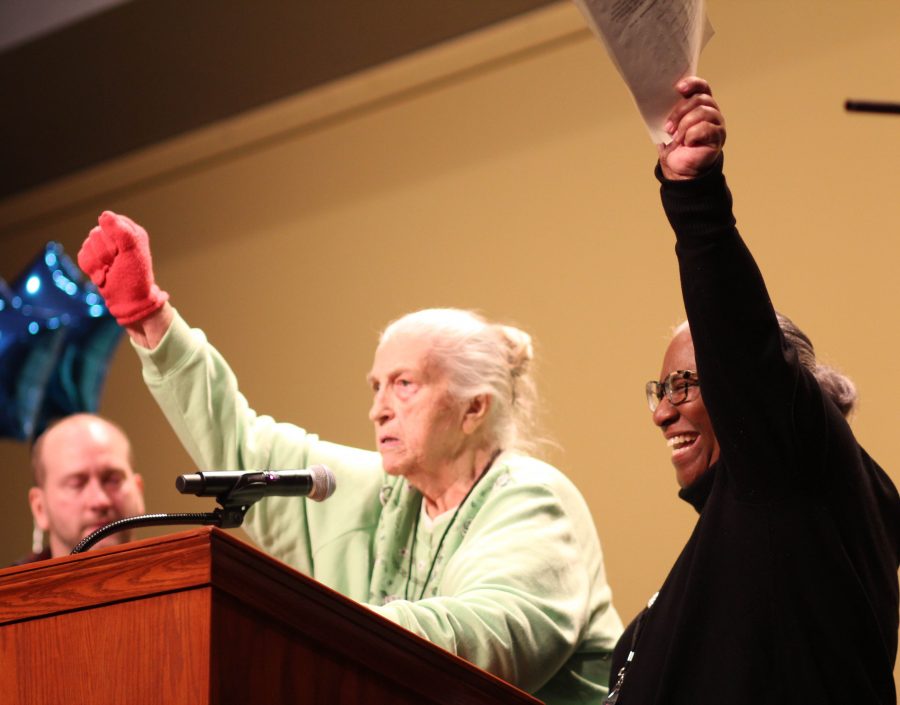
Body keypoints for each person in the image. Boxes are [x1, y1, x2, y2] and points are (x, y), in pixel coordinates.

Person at [76, 218, 623, 704]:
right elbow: (246, 451)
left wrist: (322, 630)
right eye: (376, 387)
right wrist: (151, 321)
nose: (378, 409)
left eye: (404, 385)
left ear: (473, 408)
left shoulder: (532, 498)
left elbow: (491, 638)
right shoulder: (384, 490)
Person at [606, 77, 900, 704]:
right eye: (661, 388)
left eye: (685, 384)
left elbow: (741, 342)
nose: (663, 412)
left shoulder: (788, 470)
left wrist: (695, 196)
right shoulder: (745, 536)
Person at [17, 413, 146, 563]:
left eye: (112, 480)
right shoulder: (9, 586)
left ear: (138, 492)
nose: (100, 501)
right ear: (40, 508)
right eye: (76, 484)